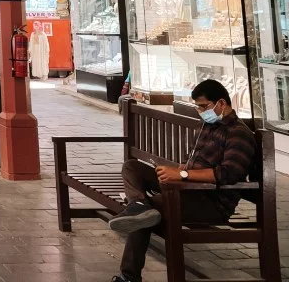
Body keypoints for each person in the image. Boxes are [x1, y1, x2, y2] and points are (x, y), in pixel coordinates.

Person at [107, 79, 256, 282]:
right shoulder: (206, 126)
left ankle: (129, 276)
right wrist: (179, 169)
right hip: (186, 189)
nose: (201, 111)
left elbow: (227, 174)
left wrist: (183, 175)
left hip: (211, 202)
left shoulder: (238, 134)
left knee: (146, 214)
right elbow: (191, 162)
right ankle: (138, 203)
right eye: (198, 107)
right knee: (132, 168)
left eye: (204, 106)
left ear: (221, 103)